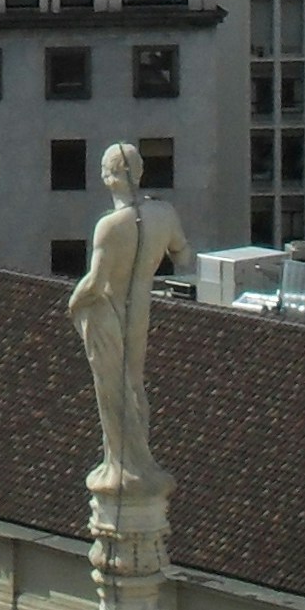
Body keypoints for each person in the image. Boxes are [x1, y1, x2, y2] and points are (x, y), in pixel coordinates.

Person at [66, 140, 189, 490]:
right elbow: (182, 254)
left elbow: (95, 282)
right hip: (142, 306)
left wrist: (73, 305)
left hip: (110, 309)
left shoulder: (110, 226)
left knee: (112, 388)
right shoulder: (164, 213)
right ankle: (135, 459)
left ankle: (123, 461)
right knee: (133, 383)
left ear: (109, 177)